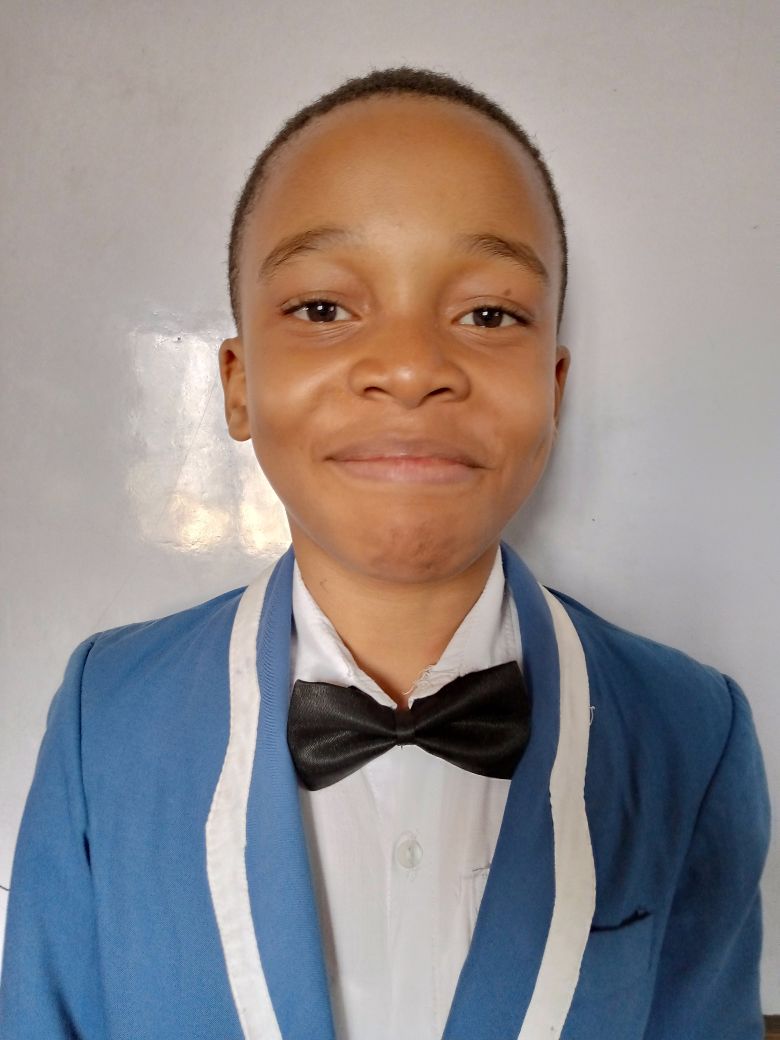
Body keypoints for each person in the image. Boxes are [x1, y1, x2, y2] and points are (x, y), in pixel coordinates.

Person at [0, 66, 770, 1040]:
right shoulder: (103, 717)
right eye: (323, 309)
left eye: (489, 314)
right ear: (238, 383)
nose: (411, 367)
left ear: (554, 385)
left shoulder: (691, 733)